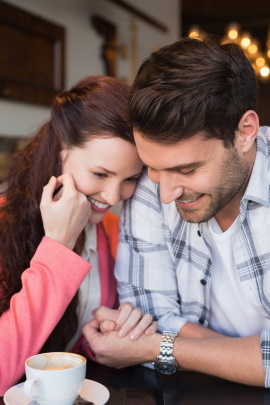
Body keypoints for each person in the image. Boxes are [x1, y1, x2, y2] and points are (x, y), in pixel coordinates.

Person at [82, 36, 270, 388]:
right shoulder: (153, 187)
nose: (165, 194)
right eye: (153, 169)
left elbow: (148, 339)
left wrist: (158, 348)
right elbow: (148, 314)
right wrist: (250, 358)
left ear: (245, 132)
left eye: (186, 170)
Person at [0, 75, 158, 395]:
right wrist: (57, 246)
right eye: (100, 174)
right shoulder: (5, 225)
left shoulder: (111, 231)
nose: (113, 196)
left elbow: (69, 345)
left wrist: (110, 334)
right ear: (62, 150)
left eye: (130, 179)